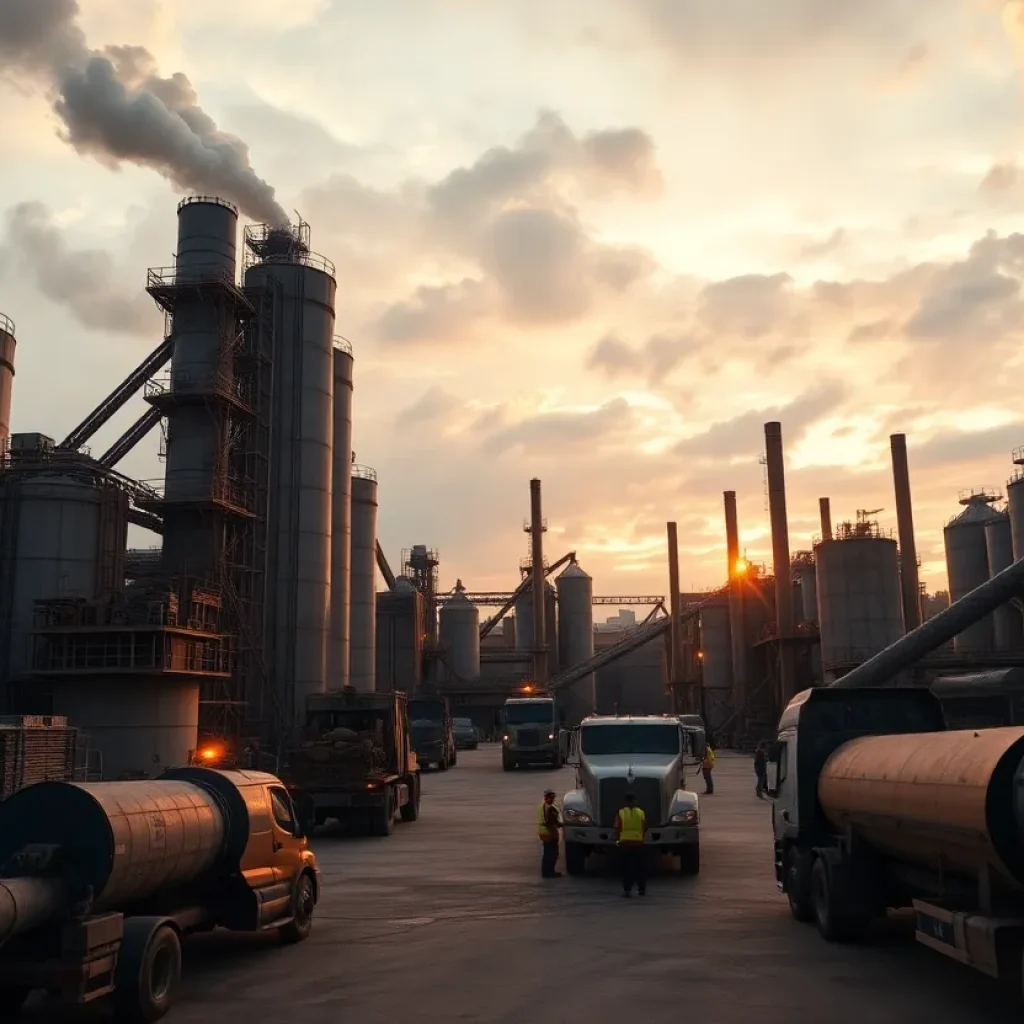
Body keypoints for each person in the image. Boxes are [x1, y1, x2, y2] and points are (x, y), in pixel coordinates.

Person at [614, 792, 647, 897]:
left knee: (627, 868)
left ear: (626, 802)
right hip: (638, 844)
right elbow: (645, 827)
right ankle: (641, 889)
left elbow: (617, 827)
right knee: (640, 868)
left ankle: (627, 889)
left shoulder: (621, 813)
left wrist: (617, 839)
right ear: (635, 801)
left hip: (625, 844)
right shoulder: (641, 813)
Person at [538, 789, 562, 878]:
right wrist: (560, 824)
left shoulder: (542, 805)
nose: (552, 799)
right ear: (546, 797)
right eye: (550, 797)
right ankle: (549, 872)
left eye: (553, 797)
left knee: (547, 854)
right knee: (552, 854)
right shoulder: (549, 808)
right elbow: (551, 822)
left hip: (543, 833)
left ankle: (546, 872)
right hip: (549, 834)